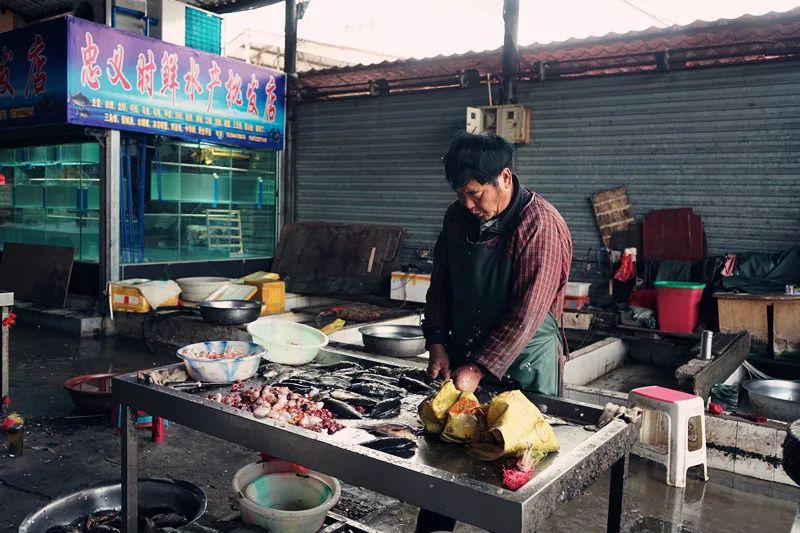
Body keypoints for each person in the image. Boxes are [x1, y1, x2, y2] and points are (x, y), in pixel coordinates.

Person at [415, 132, 572, 532]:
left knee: (515, 481)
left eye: (474, 194)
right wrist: (437, 342)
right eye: (460, 195)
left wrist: (479, 367)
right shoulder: (457, 216)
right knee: (446, 464)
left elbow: (527, 313)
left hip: (525, 365)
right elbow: (441, 283)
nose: (468, 205)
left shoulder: (540, 224)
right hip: (467, 358)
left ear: (504, 177)